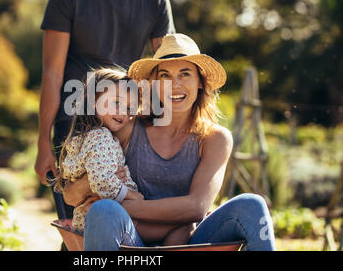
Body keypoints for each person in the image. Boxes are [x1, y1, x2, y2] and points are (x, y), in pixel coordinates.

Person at [63, 33, 277, 250]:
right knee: (103, 211)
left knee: (252, 205)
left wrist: (122, 204)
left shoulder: (215, 139)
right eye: (165, 76)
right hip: (134, 240)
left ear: (201, 82)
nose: (175, 85)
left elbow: (196, 208)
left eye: (185, 74)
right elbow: (71, 197)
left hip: (190, 242)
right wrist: (91, 183)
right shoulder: (128, 128)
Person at [35, 0, 176, 221]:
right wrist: (43, 142)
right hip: (76, 122)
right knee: (76, 222)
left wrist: (168, 132)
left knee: (127, 224)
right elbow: (52, 73)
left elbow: (164, 72)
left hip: (130, 125)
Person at [54, 68, 194, 246]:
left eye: (129, 108)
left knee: (180, 228)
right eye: (116, 103)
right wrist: (132, 196)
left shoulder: (94, 135)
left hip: (106, 216)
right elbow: (103, 182)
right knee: (181, 227)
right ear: (93, 101)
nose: (123, 113)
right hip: (110, 217)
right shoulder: (100, 137)